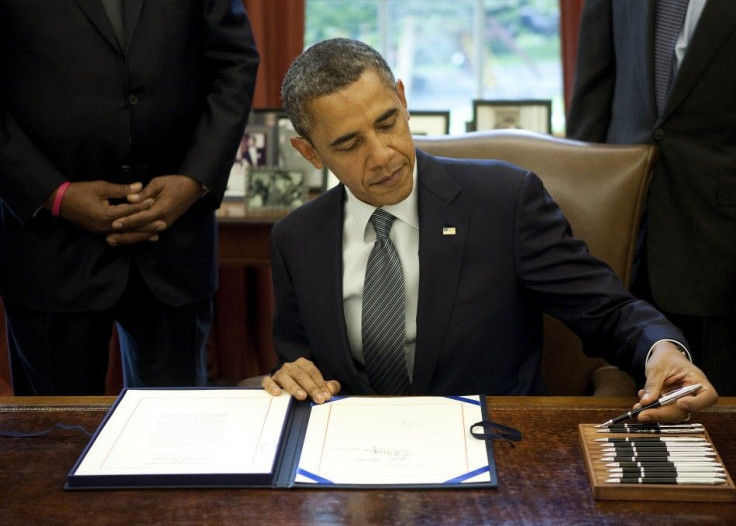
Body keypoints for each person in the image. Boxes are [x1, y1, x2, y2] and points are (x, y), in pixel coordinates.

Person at [260, 38, 717, 423]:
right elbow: (301, 365)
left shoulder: (505, 201)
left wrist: (661, 349)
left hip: (496, 447)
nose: (381, 155)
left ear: (402, 99)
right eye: (349, 143)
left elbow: (607, 312)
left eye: (387, 123)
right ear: (309, 152)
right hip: (352, 459)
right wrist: (292, 375)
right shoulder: (296, 239)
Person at [0, 2, 259, 394]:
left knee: (174, 437)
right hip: (50, 247)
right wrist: (56, 195)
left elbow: (234, 63)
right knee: (55, 438)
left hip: (174, 240)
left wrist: (194, 180)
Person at [566, 0, 736, 395]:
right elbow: (594, 89)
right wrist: (580, 196)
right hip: (622, 222)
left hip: (719, 232)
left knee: (714, 411)